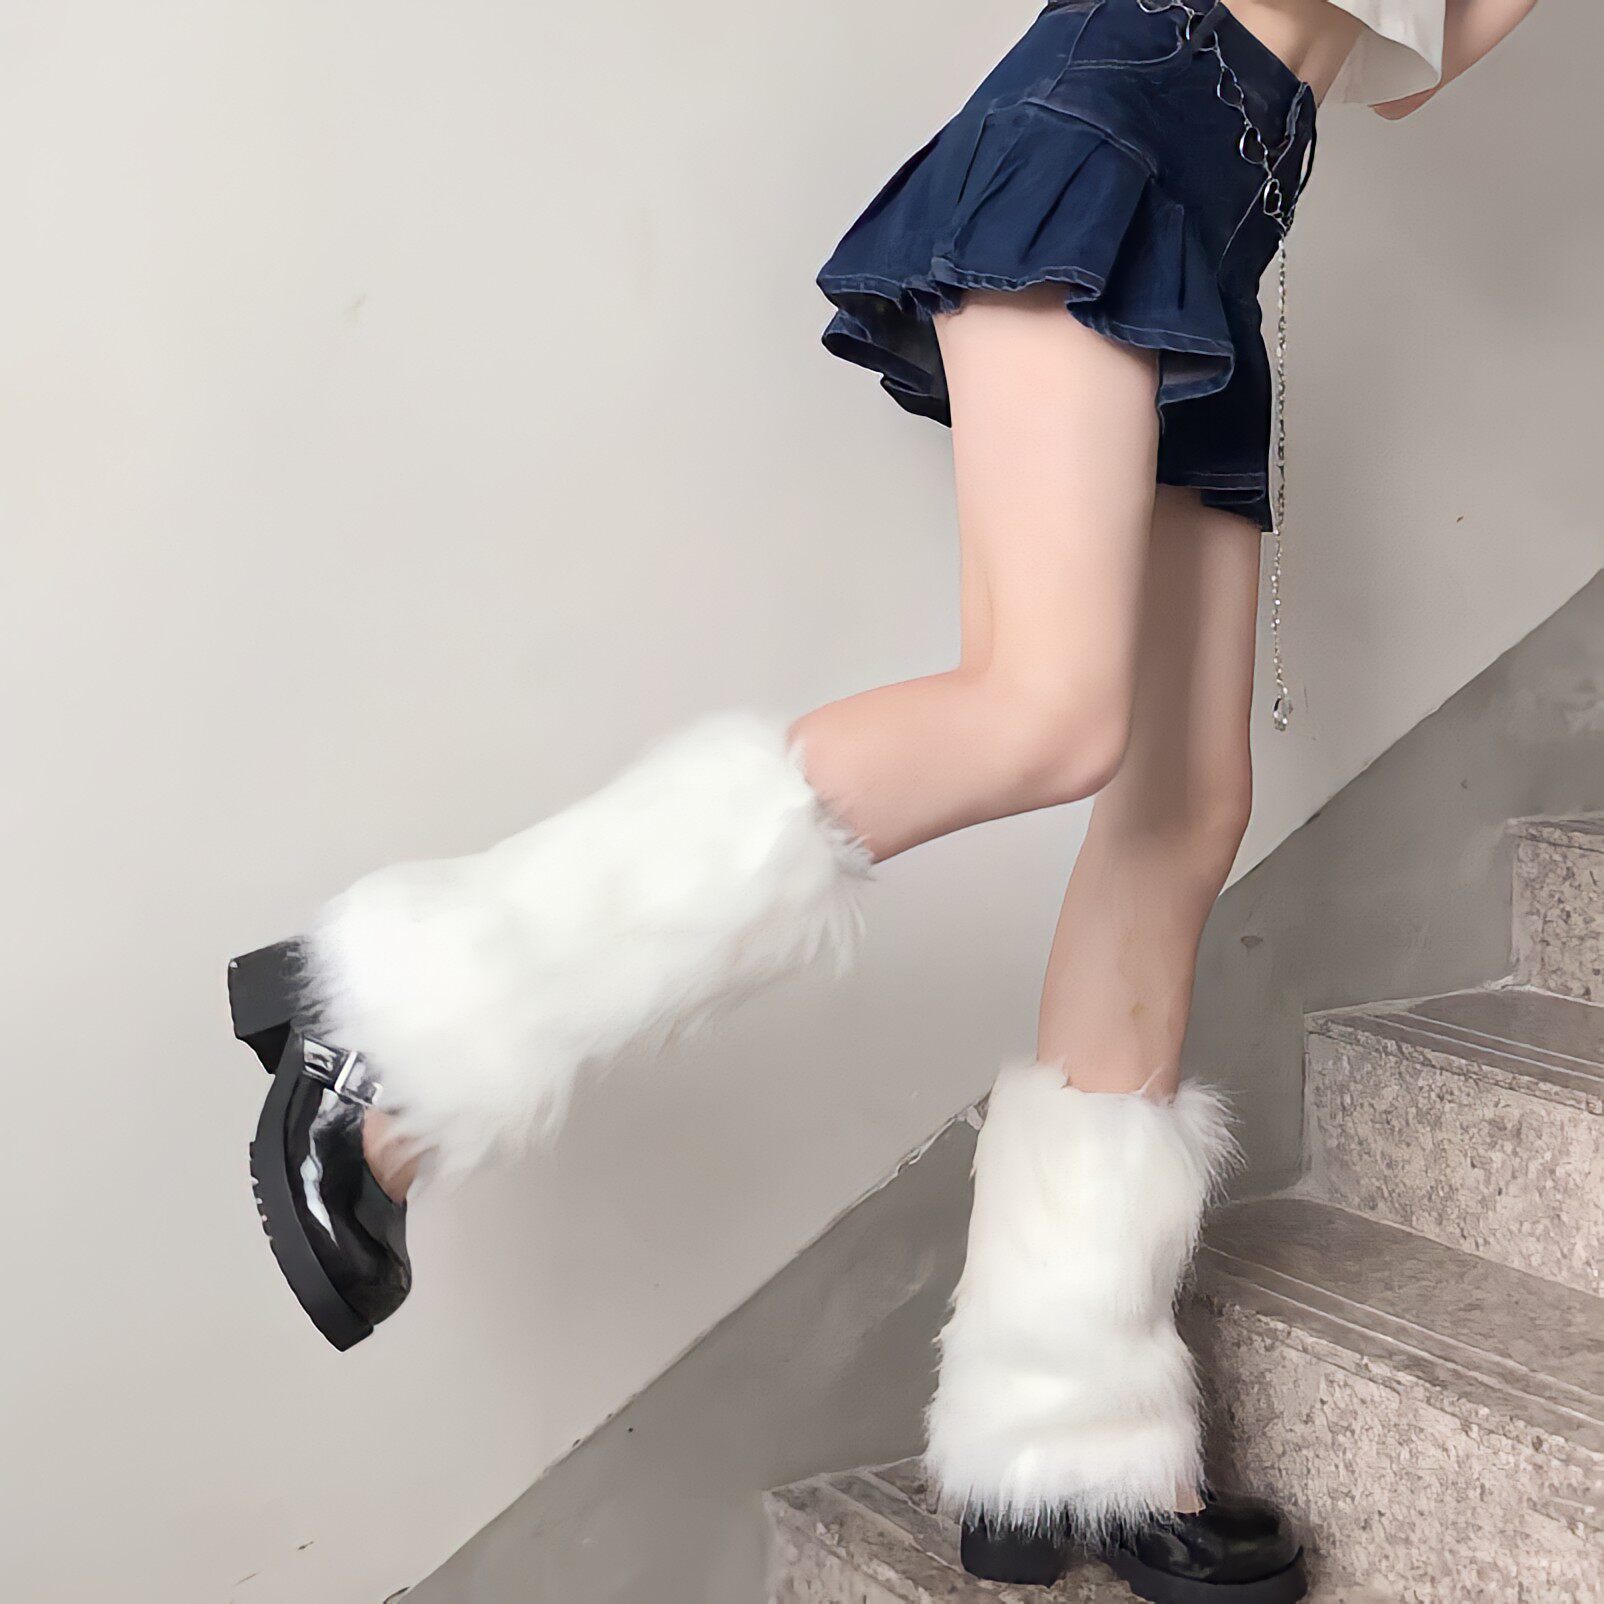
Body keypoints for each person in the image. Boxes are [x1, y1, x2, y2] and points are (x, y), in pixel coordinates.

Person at [228, 1, 1539, 1595]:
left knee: (1188, 809)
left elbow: (1415, 69)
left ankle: (1066, 1431)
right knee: (1045, 713)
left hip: (1225, 200)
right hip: (1120, 127)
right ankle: (393, 1036)